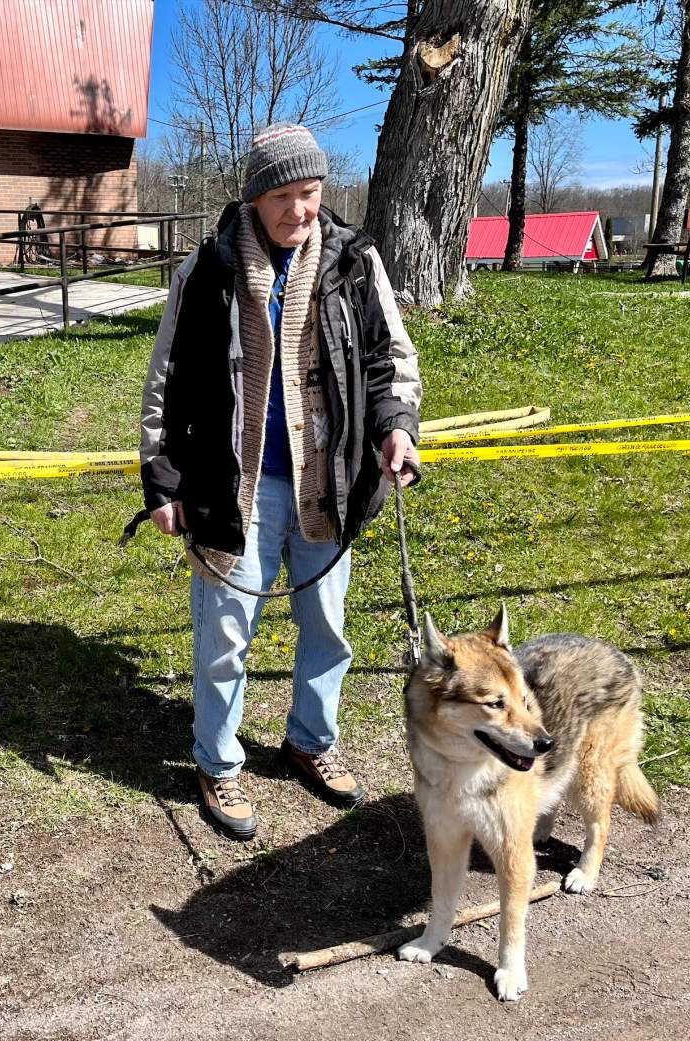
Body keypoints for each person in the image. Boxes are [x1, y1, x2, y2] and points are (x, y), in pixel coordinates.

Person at [138, 123, 422, 840]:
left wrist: (397, 426)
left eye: (312, 192)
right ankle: (218, 760)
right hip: (235, 487)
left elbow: (391, 359)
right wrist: (163, 479)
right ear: (257, 198)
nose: (301, 209)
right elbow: (167, 381)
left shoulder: (355, 261)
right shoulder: (208, 271)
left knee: (327, 624)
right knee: (226, 633)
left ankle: (310, 740)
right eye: (285, 196)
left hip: (328, 479)